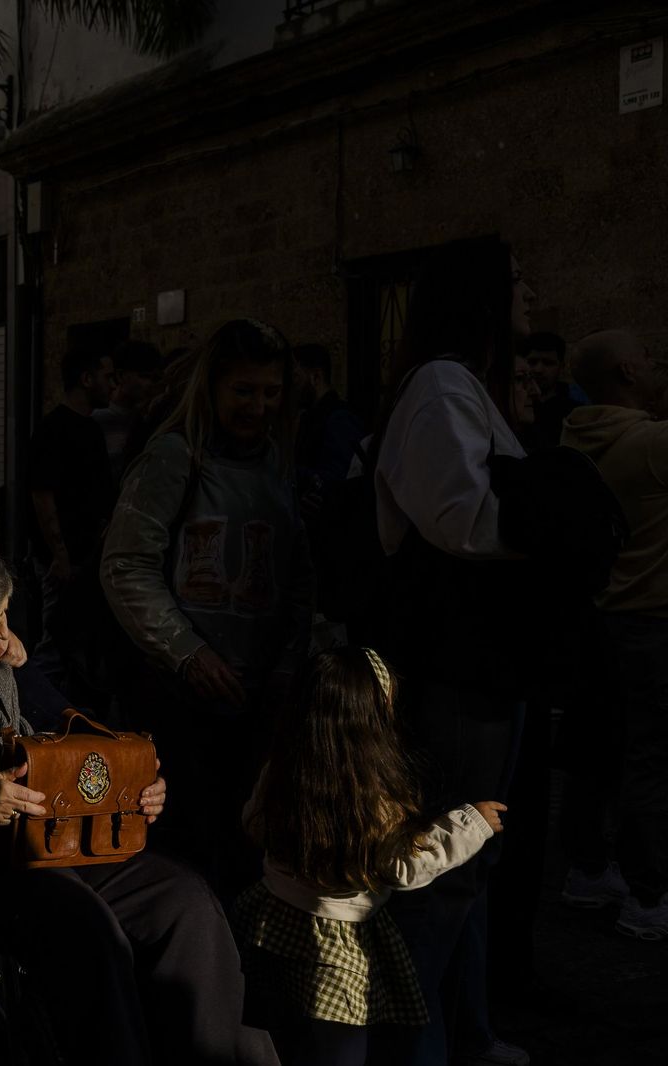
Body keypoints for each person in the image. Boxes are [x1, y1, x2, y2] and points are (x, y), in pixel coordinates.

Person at [0, 539, 279, 1066]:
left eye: (5, 613)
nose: (5, 632)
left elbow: (81, 730)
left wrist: (133, 775)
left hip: (54, 838)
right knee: (84, 926)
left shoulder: (4, 665)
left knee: (186, 903)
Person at [368, 239, 535, 1066]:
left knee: (472, 863)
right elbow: (464, 520)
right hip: (456, 671)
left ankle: (463, 1034)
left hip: (482, 668)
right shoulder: (439, 386)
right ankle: (414, 1045)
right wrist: (556, 510)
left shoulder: (459, 387)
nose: (528, 293)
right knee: (442, 866)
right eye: (515, 281)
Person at [101, 317, 314, 898]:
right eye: (244, 390)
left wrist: (288, 669)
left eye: (271, 392)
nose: (259, 405)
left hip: (258, 695)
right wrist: (188, 654)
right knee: (188, 853)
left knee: (249, 845)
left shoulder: (279, 461)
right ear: (213, 386)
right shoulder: (174, 457)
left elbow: (297, 578)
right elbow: (125, 564)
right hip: (180, 697)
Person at [236, 647, 504, 1066]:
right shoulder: (372, 795)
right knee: (335, 1049)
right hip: (337, 951)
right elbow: (404, 866)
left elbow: (253, 823)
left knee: (277, 1043)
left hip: (269, 923)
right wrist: (471, 825)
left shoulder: (282, 767)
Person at [562, 328, 668, 940]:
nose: (655, 365)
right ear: (629, 370)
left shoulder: (575, 438)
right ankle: (648, 895)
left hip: (594, 619)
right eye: (649, 356)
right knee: (649, 759)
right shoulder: (651, 444)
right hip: (651, 621)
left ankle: (586, 868)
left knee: (592, 754)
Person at [27, 344, 118, 702]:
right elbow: (42, 496)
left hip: (90, 557)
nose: (114, 385)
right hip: (62, 561)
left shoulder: (93, 429)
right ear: (86, 378)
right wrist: (59, 555)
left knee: (79, 641)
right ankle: (30, 714)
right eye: (108, 377)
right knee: (54, 641)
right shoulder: (54, 430)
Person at [290, 343, 365, 500]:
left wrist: (288, 471)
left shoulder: (339, 419)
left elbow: (338, 482)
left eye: (295, 377)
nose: (290, 386)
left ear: (316, 377)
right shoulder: (309, 417)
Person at [96, 339, 164, 475]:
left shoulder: (149, 419)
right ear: (121, 376)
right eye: (144, 377)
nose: (150, 384)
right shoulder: (98, 419)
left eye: (154, 378)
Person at [523, 331, 582, 449]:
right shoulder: (516, 404)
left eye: (548, 363)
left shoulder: (576, 409)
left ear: (561, 367)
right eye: (532, 362)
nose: (538, 369)